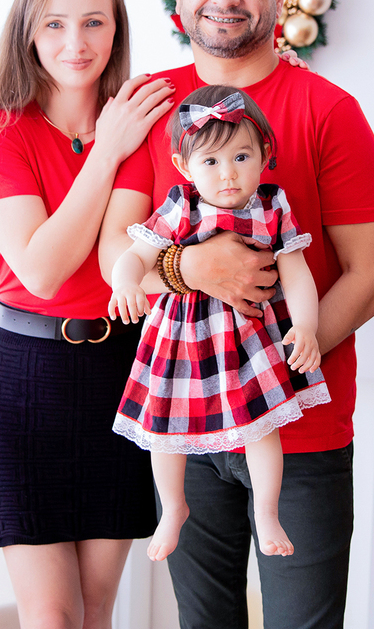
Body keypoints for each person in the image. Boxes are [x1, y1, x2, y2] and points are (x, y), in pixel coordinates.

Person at [99, 0, 374, 629]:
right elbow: (116, 250)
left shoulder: (331, 111)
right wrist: (191, 269)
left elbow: (370, 272)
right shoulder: (149, 107)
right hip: (186, 419)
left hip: (299, 429)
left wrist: (282, 365)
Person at [0, 0, 175, 629]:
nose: (74, 43)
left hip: (119, 378)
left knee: (96, 611)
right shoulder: (4, 136)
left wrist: (115, 140)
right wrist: (104, 150)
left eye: (92, 22)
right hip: (24, 386)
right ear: (28, 32)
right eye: (54, 24)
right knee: (51, 616)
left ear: (116, 31)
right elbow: (43, 271)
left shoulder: (136, 126)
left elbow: (118, 249)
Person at [107, 86, 326, 563]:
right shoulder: (181, 206)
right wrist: (125, 284)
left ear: (265, 154)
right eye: (210, 162)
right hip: (181, 339)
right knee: (164, 430)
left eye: (241, 156)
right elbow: (135, 255)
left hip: (250, 340)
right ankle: (173, 507)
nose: (228, 173)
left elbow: (297, 272)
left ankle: (266, 511)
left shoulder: (272, 206)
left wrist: (306, 327)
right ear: (185, 167)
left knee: (261, 427)